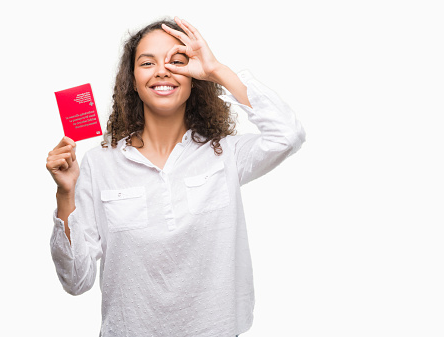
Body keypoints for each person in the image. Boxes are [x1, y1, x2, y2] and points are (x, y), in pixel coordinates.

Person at [46, 16, 305, 337]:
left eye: (177, 61)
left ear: (194, 76)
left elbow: (287, 135)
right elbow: (76, 281)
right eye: (147, 62)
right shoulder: (99, 163)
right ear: (133, 80)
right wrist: (65, 194)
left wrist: (217, 70)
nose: (163, 70)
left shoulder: (225, 153)